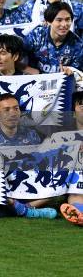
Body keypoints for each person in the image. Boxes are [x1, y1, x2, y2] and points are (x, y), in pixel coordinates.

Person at [0, 93, 56, 219]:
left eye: (16, 108)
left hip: (27, 183)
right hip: (1, 184)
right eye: (6, 110)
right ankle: (27, 210)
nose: (12, 113)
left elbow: (40, 160)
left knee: (57, 173)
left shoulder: (32, 135)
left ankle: (15, 210)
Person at [22, 2, 83, 74]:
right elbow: (15, 57)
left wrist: (72, 73)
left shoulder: (78, 45)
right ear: (48, 22)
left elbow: (78, 73)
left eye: (67, 19)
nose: (64, 24)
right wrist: (28, 69)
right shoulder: (36, 36)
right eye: (59, 20)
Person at [59, 91, 83, 225]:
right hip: (73, 188)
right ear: (73, 112)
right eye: (82, 106)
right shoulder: (62, 135)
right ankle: (79, 213)